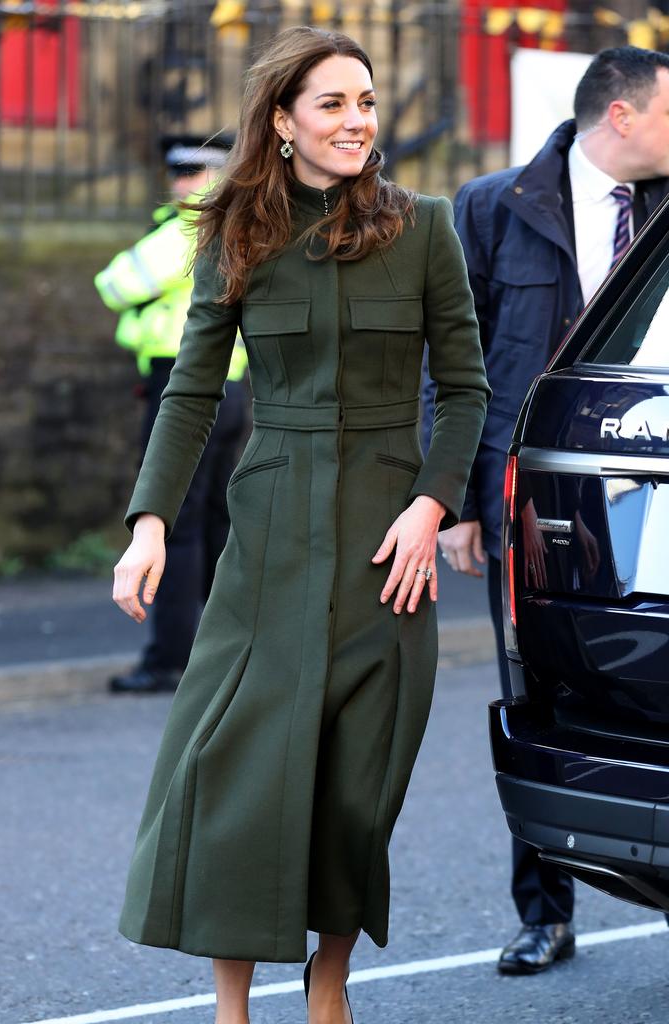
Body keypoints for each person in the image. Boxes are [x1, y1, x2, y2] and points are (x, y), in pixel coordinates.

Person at [112, 26, 489, 1024]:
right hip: (269, 531)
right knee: (239, 773)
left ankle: (330, 984)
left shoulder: (425, 227)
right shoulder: (233, 227)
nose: (357, 119)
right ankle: (232, 1006)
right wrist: (150, 521)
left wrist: (430, 505)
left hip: (386, 540)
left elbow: (465, 389)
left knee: (356, 779)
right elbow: (191, 390)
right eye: (332, 103)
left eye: (365, 102)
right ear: (283, 121)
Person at [436, 45, 669, 975]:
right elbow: (451, 364)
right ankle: (546, 912)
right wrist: (454, 503)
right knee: (541, 694)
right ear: (622, 115)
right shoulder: (494, 206)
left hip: (647, 467)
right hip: (535, 490)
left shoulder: (665, 204)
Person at [96, 136, 249, 693]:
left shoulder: (188, 229)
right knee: (210, 524)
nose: (181, 181)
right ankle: (227, 647)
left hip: (181, 388)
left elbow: (117, 283)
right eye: (175, 170)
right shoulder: (236, 225)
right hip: (230, 389)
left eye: (193, 170)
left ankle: (169, 660)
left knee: (173, 527)